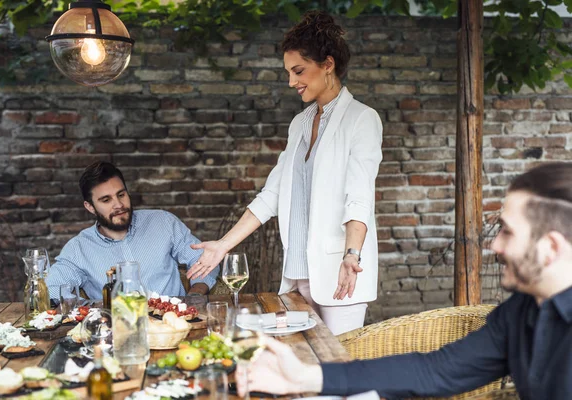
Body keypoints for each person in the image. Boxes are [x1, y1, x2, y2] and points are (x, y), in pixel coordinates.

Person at [237, 162, 572, 399]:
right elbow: (435, 371)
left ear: (551, 247)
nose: (495, 245)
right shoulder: (523, 311)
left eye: (508, 232)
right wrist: (303, 376)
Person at [187, 10, 383, 335]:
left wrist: (352, 254)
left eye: (299, 71)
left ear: (328, 65)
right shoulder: (300, 124)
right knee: (304, 366)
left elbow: (359, 196)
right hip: (298, 275)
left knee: (340, 370)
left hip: (339, 272)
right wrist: (223, 244)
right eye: (289, 72)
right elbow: (272, 196)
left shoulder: (362, 119)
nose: (292, 82)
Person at [45, 161, 219, 301]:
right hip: (116, 332)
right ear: (90, 207)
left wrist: (194, 296)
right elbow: (52, 289)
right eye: (106, 200)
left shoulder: (163, 222)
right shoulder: (78, 248)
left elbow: (203, 259)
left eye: (121, 195)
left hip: (172, 322)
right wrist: (92, 311)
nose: (119, 205)